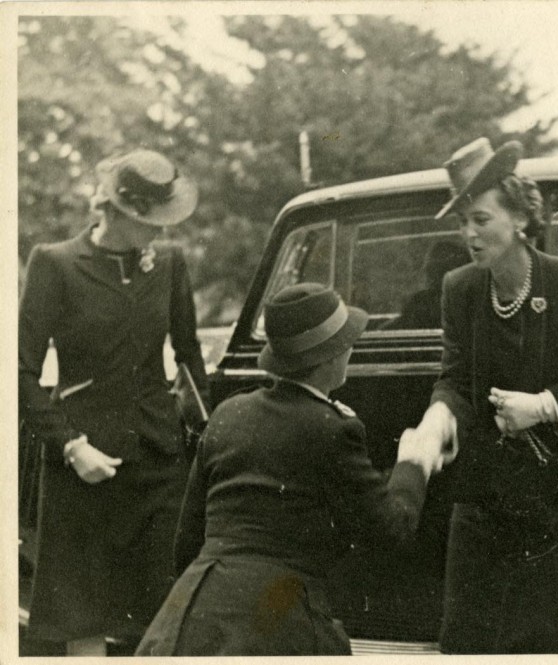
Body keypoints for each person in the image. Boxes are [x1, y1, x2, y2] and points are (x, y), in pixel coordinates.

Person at [409, 137, 558, 653]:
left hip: (557, 497)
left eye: (481, 219)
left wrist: (543, 406)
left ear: (519, 219)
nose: (468, 233)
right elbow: (454, 377)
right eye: (462, 221)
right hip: (483, 494)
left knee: (545, 645)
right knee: (467, 640)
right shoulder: (460, 288)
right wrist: (438, 417)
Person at [135, 282, 447, 656]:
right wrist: (415, 461)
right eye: (347, 342)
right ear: (332, 356)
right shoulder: (333, 427)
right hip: (275, 619)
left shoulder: (228, 413)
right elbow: (391, 530)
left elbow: (187, 540)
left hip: (191, 614)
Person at [18, 149, 207, 656]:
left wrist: (200, 433)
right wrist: (70, 446)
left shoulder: (169, 263)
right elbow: (20, 371)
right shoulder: (54, 263)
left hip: (158, 461)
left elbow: (189, 356)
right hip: (84, 465)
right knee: (83, 620)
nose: (160, 232)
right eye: (149, 221)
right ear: (114, 212)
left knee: (165, 616)